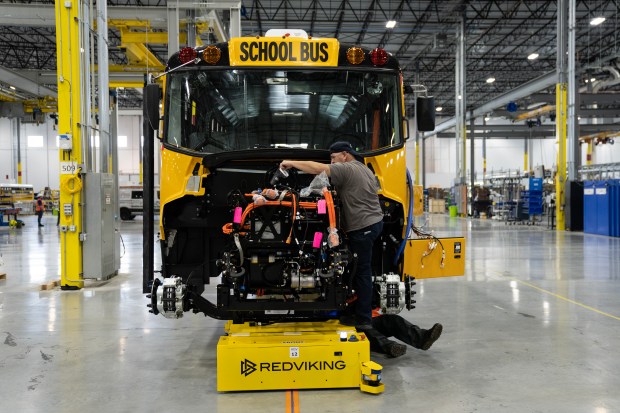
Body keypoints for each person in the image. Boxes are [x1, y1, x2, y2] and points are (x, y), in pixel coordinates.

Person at [280, 141, 384, 329]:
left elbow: (318, 169)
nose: (332, 162)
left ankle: (363, 320)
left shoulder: (347, 168)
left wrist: (292, 162)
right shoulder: (364, 168)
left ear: (344, 155)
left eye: (333, 158)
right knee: (358, 269)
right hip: (373, 223)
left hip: (363, 227)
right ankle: (355, 310)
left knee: (362, 272)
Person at [364, 313, 443, 358]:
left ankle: (421, 337)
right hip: (354, 325)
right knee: (365, 330)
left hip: (369, 318)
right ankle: (389, 346)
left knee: (393, 320)